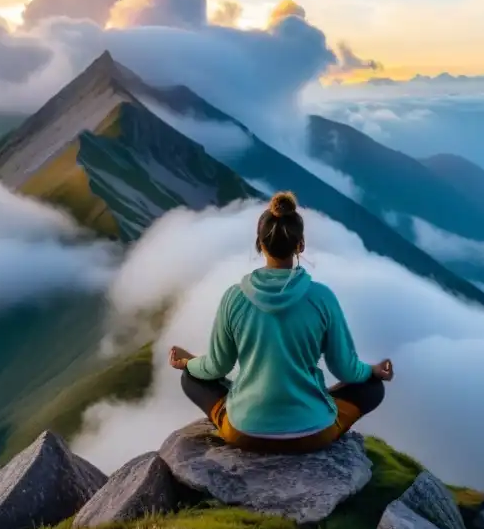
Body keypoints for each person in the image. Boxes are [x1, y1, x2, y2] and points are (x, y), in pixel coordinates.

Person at [169, 190, 394, 454]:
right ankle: (309, 405)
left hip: (243, 432)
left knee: (191, 378)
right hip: (313, 434)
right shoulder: (322, 298)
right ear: (301, 245)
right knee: (371, 388)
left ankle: (246, 410)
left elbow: (217, 367)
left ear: (259, 243)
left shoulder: (234, 297)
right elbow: (346, 369)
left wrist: (187, 362)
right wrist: (371, 371)